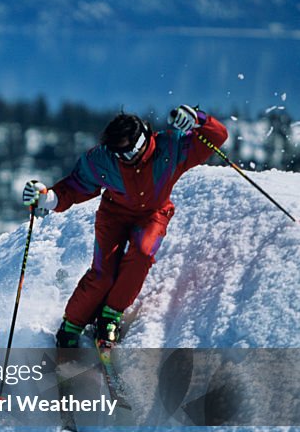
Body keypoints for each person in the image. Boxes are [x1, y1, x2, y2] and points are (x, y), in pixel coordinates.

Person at [22, 104, 228, 348]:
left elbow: (217, 137)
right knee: (103, 273)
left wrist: (198, 120)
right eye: (118, 154)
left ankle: (110, 315)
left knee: (141, 254)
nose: (123, 159)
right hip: (114, 214)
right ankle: (72, 324)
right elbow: (75, 187)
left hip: (153, 213)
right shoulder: (103, 158)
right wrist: (47, 198)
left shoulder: (170, 147)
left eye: (128, 153)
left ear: (142, 141)